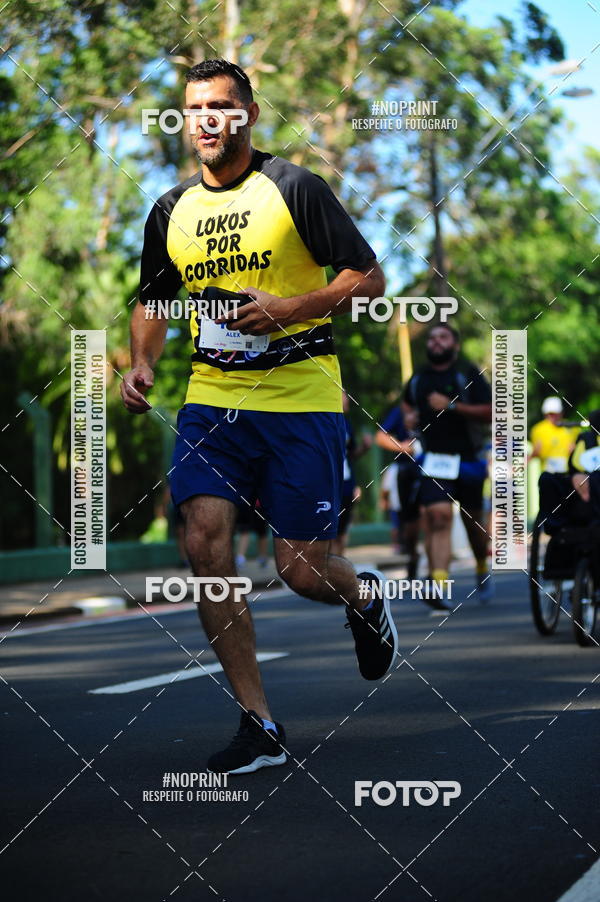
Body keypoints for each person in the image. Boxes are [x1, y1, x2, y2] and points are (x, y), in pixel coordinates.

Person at [120, 58, 397, 775]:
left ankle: (363, 597)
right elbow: (153, 299)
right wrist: (143, 361)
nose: (206, 119)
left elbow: (369, 278)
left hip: (300, 398)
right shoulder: (170, 210)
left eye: (220, 106)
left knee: (301, 570)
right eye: (193, 108)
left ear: (246, 113)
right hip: (212, 399)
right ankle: (259, 724)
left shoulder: (294, 188)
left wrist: (289, 308)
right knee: (205, 541)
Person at [402, 323, 493, 606]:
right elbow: (407, 406)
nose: (436, 342)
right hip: (435, 461)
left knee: (474, 527)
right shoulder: (418, 378)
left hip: (468, 459)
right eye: (431, 338)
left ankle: (481, 564)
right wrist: (410, 419)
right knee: (438, 517)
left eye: (443, 337)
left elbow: (491, 411)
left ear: (454, 344)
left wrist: (452, 406)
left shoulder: (467, 374)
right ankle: (439, 587)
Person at [375, 404, 421, 579]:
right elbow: (380, 436)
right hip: (407, 472)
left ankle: (438, 577)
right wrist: (402, 447)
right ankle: (413, 555)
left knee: (435, 514)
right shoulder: (402, 409)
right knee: (410, 523)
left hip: (435, 469)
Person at [330, 390, 372, 557]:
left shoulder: (346, 424)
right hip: (329, 483)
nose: (347, 399)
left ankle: (339, 565)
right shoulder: (324, 422)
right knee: (330, 531)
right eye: (343, 395)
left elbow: (351, 454)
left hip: (347, 482)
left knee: (342, 531)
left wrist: (364, 447)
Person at [530, 397, 578, 474]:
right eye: (550, 414)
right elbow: (535, 454)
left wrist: (575, 450)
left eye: (555, 413)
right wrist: (535, 452)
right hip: (548, 474)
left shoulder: (572, 427)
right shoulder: (537, 429)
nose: (553, 416)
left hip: (569, 473)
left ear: (561, 413)